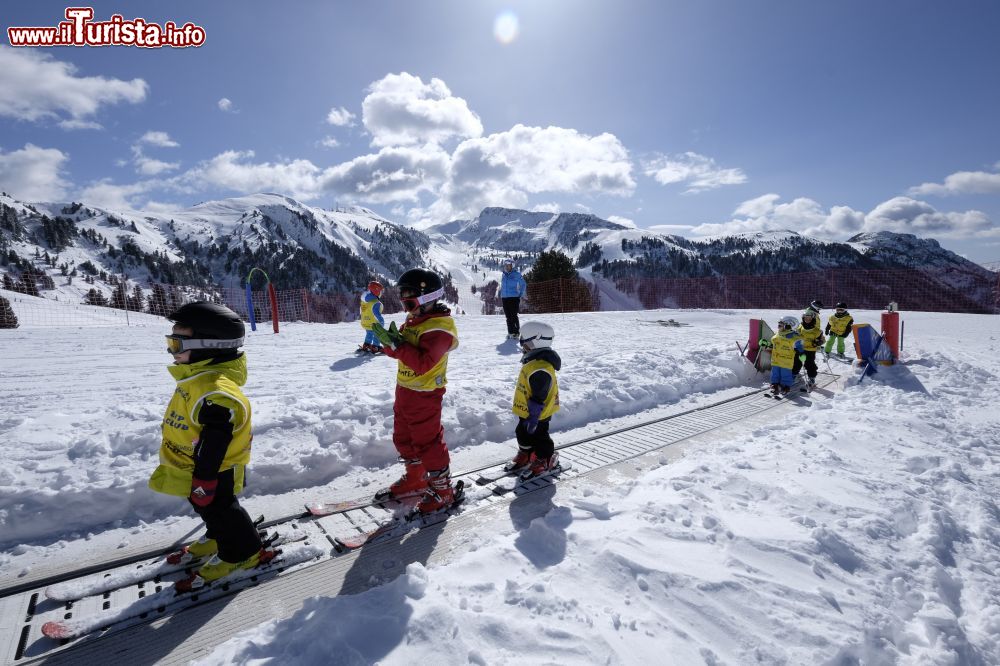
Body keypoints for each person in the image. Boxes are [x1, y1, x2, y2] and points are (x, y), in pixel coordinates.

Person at [152, 301, 272, 592]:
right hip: (197, 465)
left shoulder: (216, 390)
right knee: (206, 507)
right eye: (170, 341)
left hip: (214, 468)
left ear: (210, 347)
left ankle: (243, 552)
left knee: (221, 507)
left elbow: (215, 440)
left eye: (176, 343)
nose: (171, 350)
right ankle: (220, 536)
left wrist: (204, 480)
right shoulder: (196, 378)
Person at [371, 268, 462, 514]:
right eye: (403, 299)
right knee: (403, 437)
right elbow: (400, 352)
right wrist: (390, 343)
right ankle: (417, 477)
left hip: (426, 394)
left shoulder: (440, 329)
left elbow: (423, 364)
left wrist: (398, 346)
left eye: (408, 299)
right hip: (405, 391)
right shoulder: (416, 320)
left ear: (427, 297)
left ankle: (443, 490)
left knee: (428, 442)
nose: (405, 306)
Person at [506, 321, 562, 479]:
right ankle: (527, 453)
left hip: (538, 413)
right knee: (522, 433)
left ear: (535, 341)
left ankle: (545, 458)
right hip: (527, 412)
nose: (522, 345)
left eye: (525, 341)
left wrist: (534, 417)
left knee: (540, 436)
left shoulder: (541, 368)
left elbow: (539, 395)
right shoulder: (533, 362)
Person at [761, 315, 805, 396]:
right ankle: (774, 385)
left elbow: (799, 347)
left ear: (788, 326)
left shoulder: (794, 338)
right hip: (776, 360)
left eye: (780, 325)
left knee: (786, 374)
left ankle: (785, 387)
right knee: (775, 374)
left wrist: (801, 353)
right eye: (779, 324)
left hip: (786, 361)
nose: (778, 327)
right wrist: (766, 343)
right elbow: (773, 344)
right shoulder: (778, 335)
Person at [793, 309, 825, 389]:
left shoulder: (816, 331)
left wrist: (819, 342)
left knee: (809, 363)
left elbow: (823, 340)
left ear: (812, 319)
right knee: (796, 362)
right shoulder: (800, 327)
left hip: (810, 350)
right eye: (805, 318)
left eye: (809, 318)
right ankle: (794, 375)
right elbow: (795, 335)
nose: (807, 320)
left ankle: (812, 378)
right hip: (800, 348)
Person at [499, 259, 527, 339]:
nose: (507, 267)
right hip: (505, 298)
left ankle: (516, 333)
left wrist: (520, 294)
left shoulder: (517, 274)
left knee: (513, 316)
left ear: (512, 266)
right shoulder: (503, 275)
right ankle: (510, 332)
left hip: (514, 298)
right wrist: (502, 295)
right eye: (506, 265)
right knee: (508, 316)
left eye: (509, 265)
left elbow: (523, 284)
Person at [359, 280, 385, 354]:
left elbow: (361, 311)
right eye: (380, 291)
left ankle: (366, 345)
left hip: (365, 322)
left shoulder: (363, 301)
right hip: (373, 323)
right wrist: (381, 322)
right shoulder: (376, 303)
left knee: (369, 333)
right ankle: (375, 346)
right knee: (377, 333)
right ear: (376, 291)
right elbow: (376, 314)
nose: (381, 293)